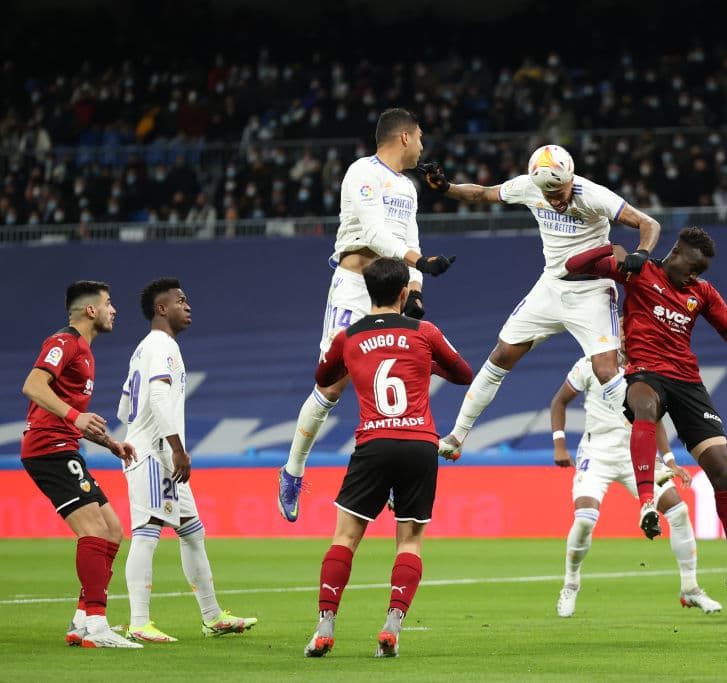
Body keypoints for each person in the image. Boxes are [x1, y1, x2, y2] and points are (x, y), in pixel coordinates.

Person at [564, 227, 727, 623]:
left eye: (700, 271)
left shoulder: (701, 292)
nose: (695, 276)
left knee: (723, 472)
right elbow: (573, 266)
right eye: (693, 267)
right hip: (645, 372)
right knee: (643, 406)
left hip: (687, 382)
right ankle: (647, 503)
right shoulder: (640, 272)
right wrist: (615, 250)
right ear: (676, 253)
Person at [418, 144, 660, 460]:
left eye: (559, 191)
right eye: (548, 193)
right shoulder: (528, 186)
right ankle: (456, 436)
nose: (555, 199)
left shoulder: (593, 195)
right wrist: (447, 188)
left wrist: (642, 252)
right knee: (501, 355)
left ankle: (653, 457)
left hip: (592, 292)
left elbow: (649, 224)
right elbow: (482, 194)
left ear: (570, 178)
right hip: (550, 288)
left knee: (606, 371)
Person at [277, 107, 457, 522]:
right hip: (354, 286)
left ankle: (391, 474)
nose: (423, 146)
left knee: (394, 380)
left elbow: (411, 238)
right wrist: (419, 262)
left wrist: (415, 289)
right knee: (332, 385)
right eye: (421, 137)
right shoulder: (363, 172)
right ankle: (292, 471)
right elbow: (375, 233)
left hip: (392, 292)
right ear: (405, 137)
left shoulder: (409, 187)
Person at [303, 257, 472, 659]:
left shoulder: (348, 337)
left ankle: (325, 627)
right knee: (409, 541)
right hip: (419, 444)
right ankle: (392, 627)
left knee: (346, 537)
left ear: (368, 291)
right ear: (404, 293)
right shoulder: (425, 331)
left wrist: (358, 359)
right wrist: (425, 363)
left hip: (374, 442)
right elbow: (464, 373)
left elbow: (322, 378)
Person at [117, 278, 258, 642]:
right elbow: (158, 398)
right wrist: (176, 448)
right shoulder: (162, 345)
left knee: (193, 532)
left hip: (156, 450)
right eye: (180, 300)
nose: (188, 305)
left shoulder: (143, 349)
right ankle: (139, 621)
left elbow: (123, 407)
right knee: (147, 531)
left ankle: (212, 616)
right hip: (154, 453)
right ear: (161, 308)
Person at [550, 351, 721, 618]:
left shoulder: (645, 370)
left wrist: (670, 461)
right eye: (621, 333)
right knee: (584, 521)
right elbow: (559, 402)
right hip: (597, 455)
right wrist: (559, 444)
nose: (625, 336)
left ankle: (690, 588)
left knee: (678, 511)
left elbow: (654, 419)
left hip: (636, 456)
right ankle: (571, 584)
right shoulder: (589, 364)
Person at [20, 280, 142, 649]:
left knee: (113, 530)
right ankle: (98, 626)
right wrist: (75, 416)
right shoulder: (64, 342)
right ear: (91, 310)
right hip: (49, 447)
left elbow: (74, 418)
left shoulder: (85, 353)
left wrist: (110, 443)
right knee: (93, 529)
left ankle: (81, 621)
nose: (113, 310)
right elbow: (33, 385)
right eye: (108, 303)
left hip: (64, 445)